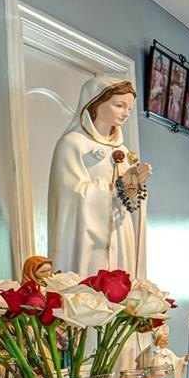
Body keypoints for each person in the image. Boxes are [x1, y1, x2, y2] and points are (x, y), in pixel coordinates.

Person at [47, 77, 149, 279]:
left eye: (129, 108)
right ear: (95, 103)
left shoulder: (123, 150)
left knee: (120, 281)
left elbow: (130, 203)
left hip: (120, 231)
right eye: (119, 105)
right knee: (91, 284)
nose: (126, 113)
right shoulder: (73, 144)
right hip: (87, 237)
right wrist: (118, 187)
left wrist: (135, 186)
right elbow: (70, 195)